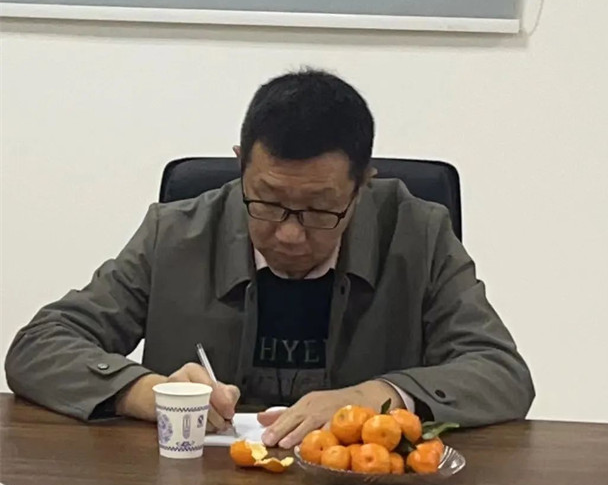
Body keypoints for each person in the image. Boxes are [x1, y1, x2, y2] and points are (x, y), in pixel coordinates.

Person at [5, 69, 534, 446]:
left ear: (362, 185)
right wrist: (145, 392)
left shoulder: (418, 234)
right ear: (241, 167)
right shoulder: (176, 233)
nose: (289, 233)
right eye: (268, 201)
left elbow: (501, 373)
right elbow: (39, 346)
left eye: (320, 208)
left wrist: (377, 397)